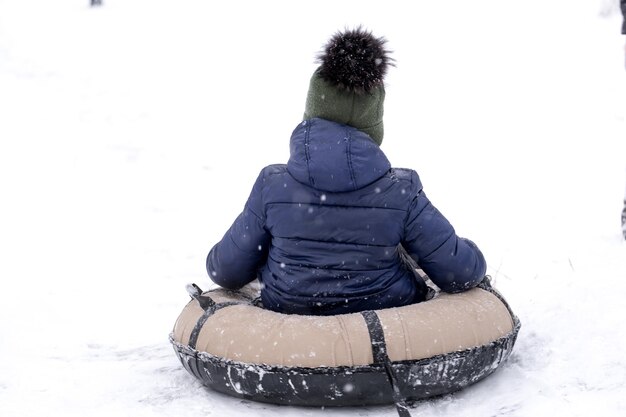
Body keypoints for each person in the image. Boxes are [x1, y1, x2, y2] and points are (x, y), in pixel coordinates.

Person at [206, 28, 487, 315]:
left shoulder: (272, 185)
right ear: (373, 127)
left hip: (289, 315)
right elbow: (461, 273)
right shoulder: (401, 190)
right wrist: (469, 248)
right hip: (389, 319)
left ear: (311, 114)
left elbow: (225, 272)